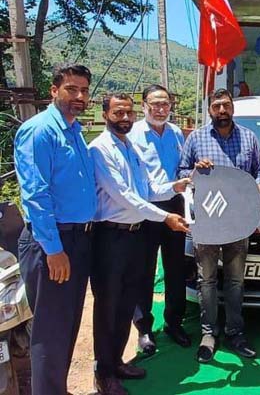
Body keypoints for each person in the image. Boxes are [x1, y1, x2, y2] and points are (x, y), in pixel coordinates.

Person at [89, 93, 190, 394]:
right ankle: (103, 373)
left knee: (125, 301)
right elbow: (125, 196)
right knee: (108, 305)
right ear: (105, 114)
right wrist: (166, 216)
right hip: (111, 235)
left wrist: (176, 186)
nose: (124, 118)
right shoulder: (100, 149)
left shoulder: (128, 145)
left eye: (128, 113)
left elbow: (146, 188)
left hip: (134, 231)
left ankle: (117, 362)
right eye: (118, 112)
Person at [14, 64, 97, 395]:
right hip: (52, 242)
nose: (79, 96)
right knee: (50, 331)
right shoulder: (40, 131)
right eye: (71, 89)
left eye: (84, 91)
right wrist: (53, 249)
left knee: (67, 325)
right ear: (54, 91)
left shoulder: (73, 131)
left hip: (76, 238)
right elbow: (35, 194)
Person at [178, 88, 260, 364]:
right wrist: (194, 171)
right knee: (207, 280)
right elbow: (181, 173)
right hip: (207, 223)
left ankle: (235, 332)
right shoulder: (196, 138)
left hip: (239, 223)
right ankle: (208, 334)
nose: (222, 111)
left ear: (232, 109)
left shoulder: (249, 138)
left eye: (226, 106)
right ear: (210, 110)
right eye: (216, 106)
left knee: (236, 281)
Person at [129, 85, 190, 356]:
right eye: (155, 104)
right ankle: (144, 329)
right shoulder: (132, 135)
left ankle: (174, 323)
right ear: (143, 106)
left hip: (175, 206)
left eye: (165, 103)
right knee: (144, 270)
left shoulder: (177, 133)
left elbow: (184, 167)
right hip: (146, 209)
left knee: (176, 268)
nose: (161, 109)